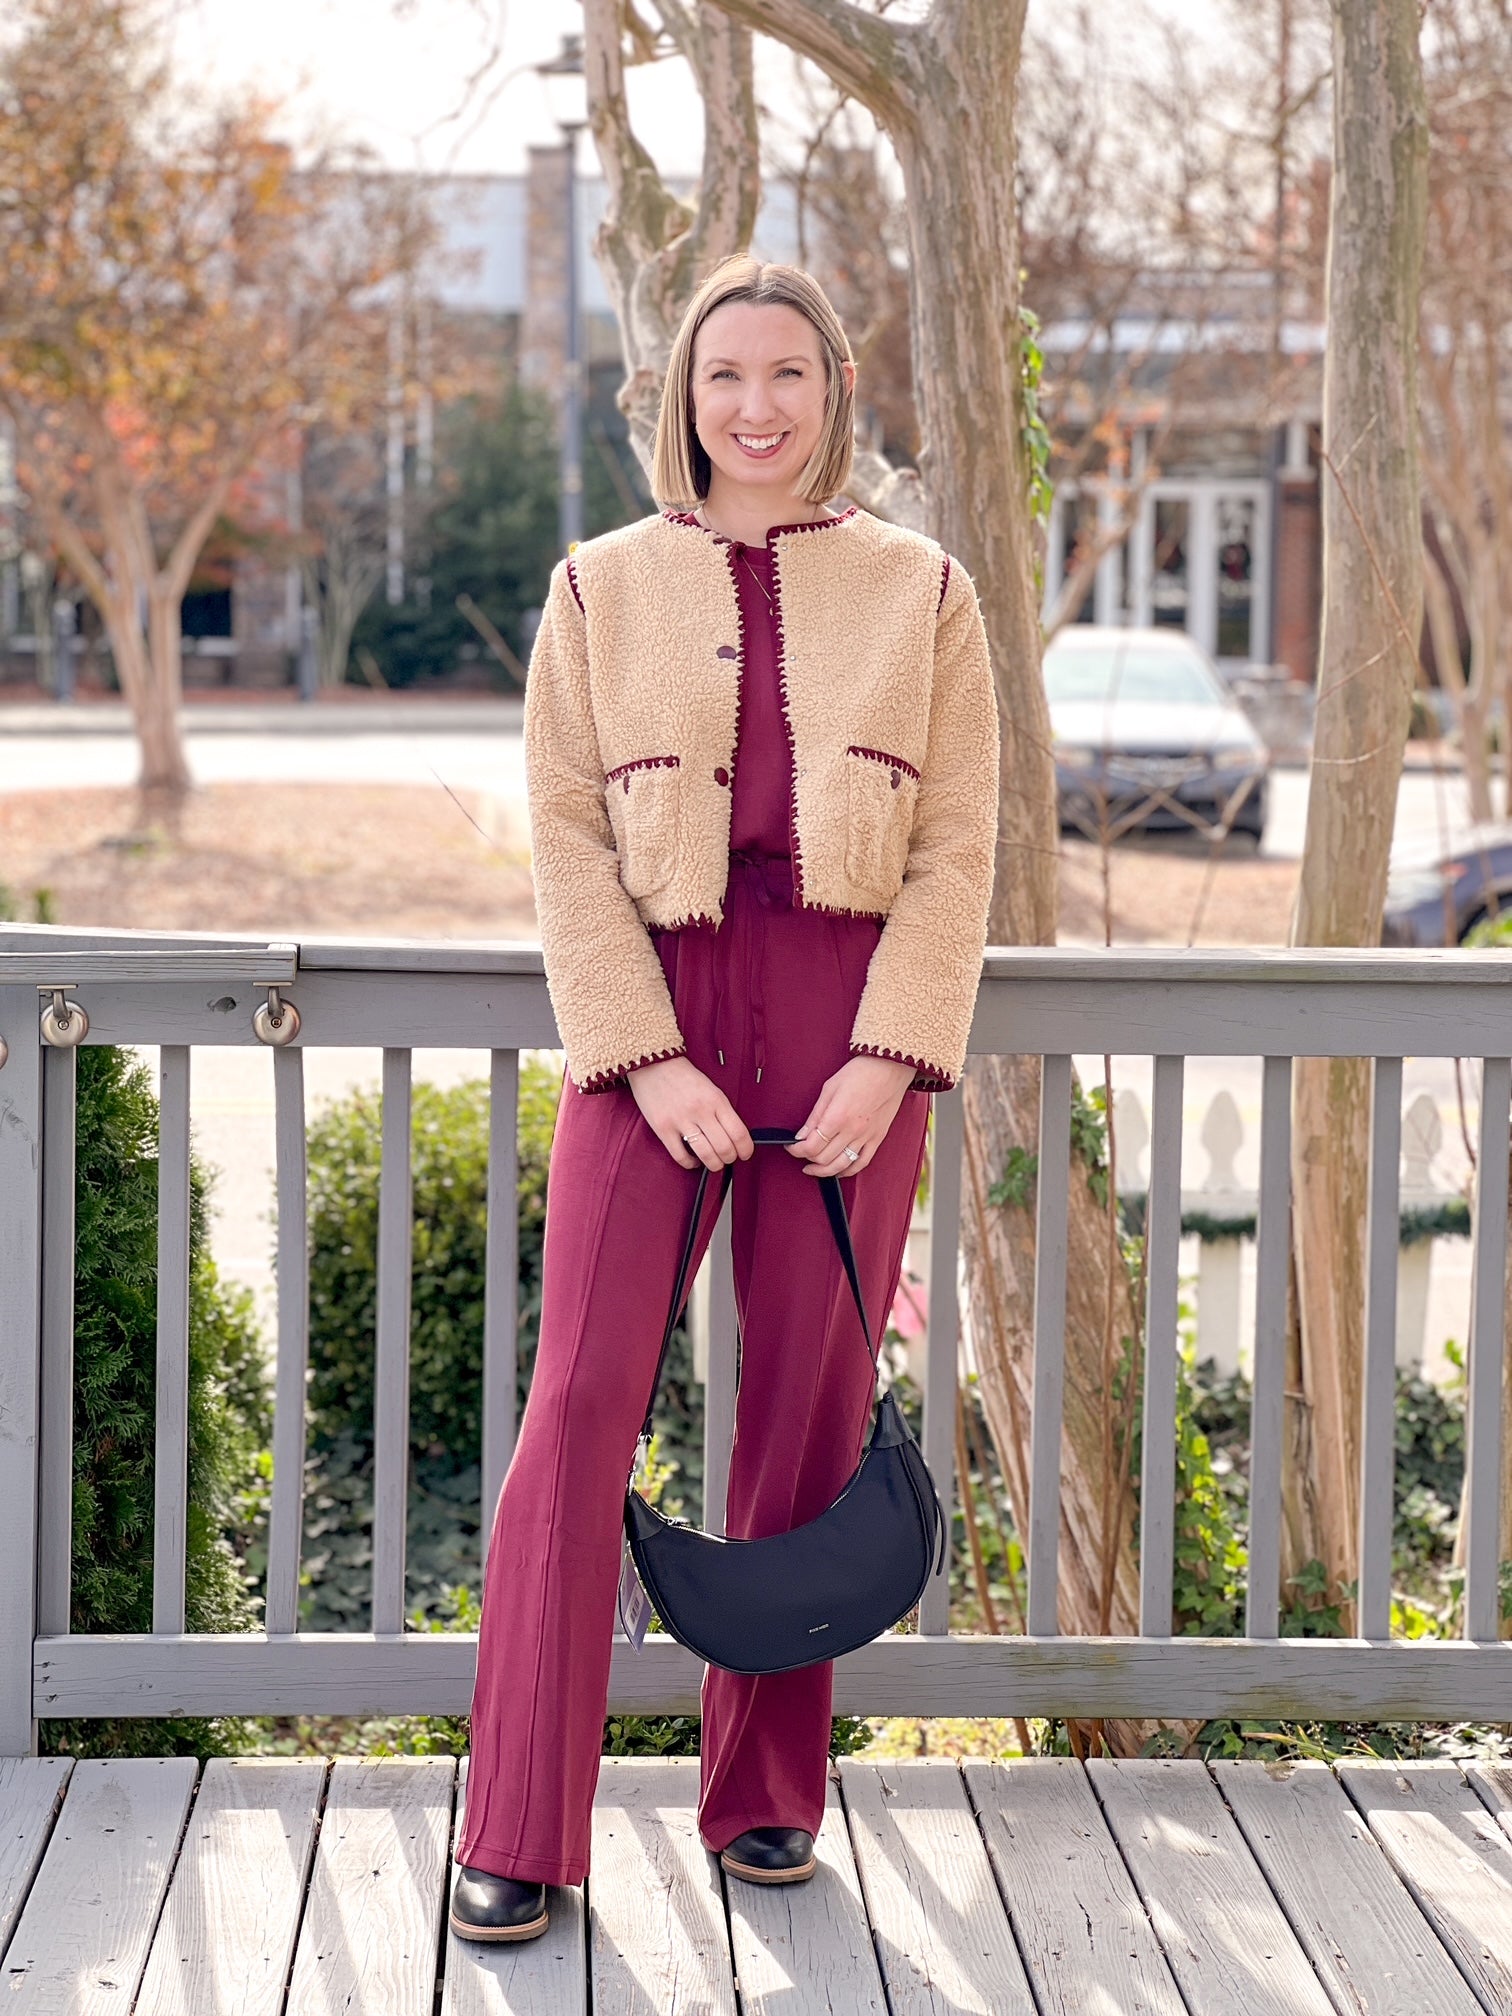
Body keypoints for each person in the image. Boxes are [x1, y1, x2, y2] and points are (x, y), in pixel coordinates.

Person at [449, 254, 1000, 1943]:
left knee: (805, 1415)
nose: (754, 408)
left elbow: (962, 844)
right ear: (681, 402)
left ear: (834, 392)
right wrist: (647, 1052)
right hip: (656, 1026)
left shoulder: (924, 591)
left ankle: (767, 1794)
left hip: (850, 1032)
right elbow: (560, 839)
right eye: (722, 379)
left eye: (787, 376)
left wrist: (893, 1055)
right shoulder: (597, 587)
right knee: (576, 1413)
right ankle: (520, 1825)